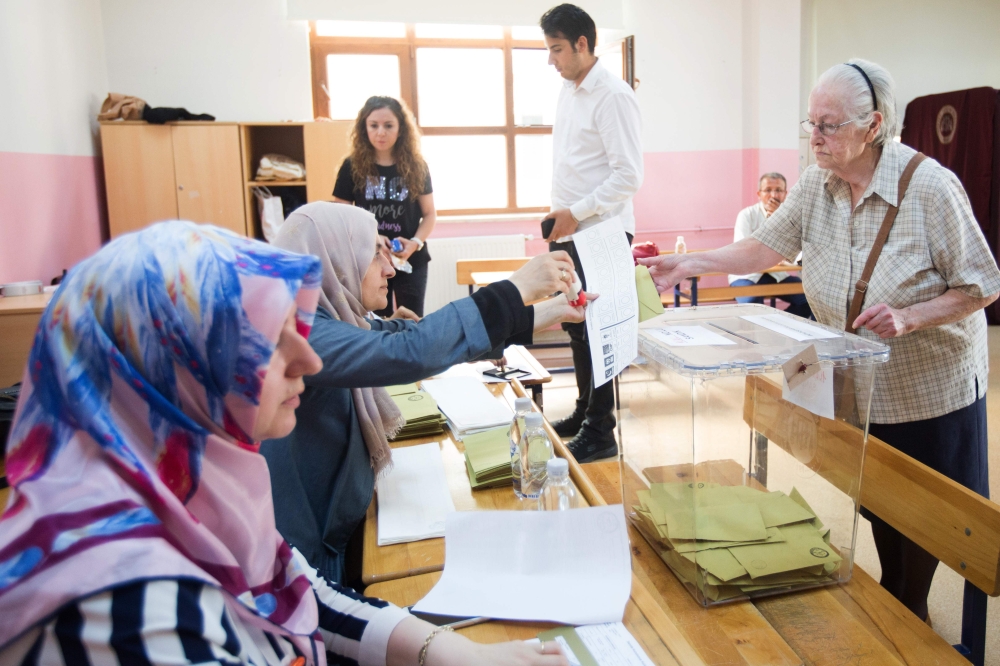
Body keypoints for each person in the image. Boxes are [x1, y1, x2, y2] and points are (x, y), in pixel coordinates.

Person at [0, 222, 569, 666]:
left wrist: (452, 653)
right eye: (266, 343)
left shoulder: (188, 492)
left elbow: (299, 590)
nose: (310, 361)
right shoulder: (127, 613)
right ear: (174, 369)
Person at [638, 59, 1000, 622]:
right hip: (861, 383)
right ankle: (903, 613)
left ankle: (911, 624)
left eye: (829, 126)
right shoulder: (816, 186)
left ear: (873, 125)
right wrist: (688, 263)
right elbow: (761, 249)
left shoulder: (930, 187)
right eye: (810, 124)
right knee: (880, 509)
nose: (815, 139)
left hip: (930, 394)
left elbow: (983, 284)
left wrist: (910, 317)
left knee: (925, 527)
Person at [261, 202, 591, 583]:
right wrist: (513, 290)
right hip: (305, 564)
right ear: (332, 262)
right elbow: (408, 352)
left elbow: (401, 336)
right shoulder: (303, 334)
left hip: (330, 534)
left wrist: (550, 311)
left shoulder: (330, 320)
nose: (390, 268)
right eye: (373, 254)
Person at [540, 3, 643, 463]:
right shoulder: (571, 88)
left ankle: (601, 432)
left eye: (557, 49)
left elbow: (628, 176)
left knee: (600, 331)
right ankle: (585, 413)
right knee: (577, 328)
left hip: (599, 233)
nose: (552, 60)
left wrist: (576, 213)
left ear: (583, 44)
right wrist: (560, 218)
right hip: (571, 230)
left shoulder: (613, 95)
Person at [333, 96, 435, 318]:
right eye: (374, 125)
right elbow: (339, 216)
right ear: (364, 128)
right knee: (377, 320)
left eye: (388, 125)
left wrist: (415, 244)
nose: (381, 132)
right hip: (369, 260)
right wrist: (373, 237)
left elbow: (429, 214)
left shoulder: (418, 166)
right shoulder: (351, 166)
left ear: (401, 129)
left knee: (412, 320)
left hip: (411, 261)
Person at [729, 172, 812, 319]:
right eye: (767, 190)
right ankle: (767, 328)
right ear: (759, 194)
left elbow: (798, 250)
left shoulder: (791, 217)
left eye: (779, 190)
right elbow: (743, 250)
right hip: (747, 275)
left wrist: (779, 216)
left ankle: (779, 324)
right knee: (753, 305)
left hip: (776, 275)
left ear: (786, 194)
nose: (773, 195)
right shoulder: (747, 215)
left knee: (809, 300)